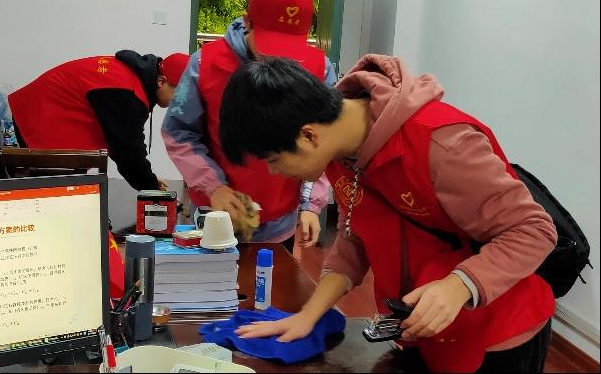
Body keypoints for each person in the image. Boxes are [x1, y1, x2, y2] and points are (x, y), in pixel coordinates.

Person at [217, 56, 558, 373]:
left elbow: (534, 230)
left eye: (274, 160)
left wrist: (458, 285)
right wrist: (308, 315)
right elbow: (354, 236)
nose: (274, 173)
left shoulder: (443, 145)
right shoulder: (340, 153)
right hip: (423, 324)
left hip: (497, 330)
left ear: (308, 135)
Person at [162, 0, 336, 250]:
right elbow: (178, 131)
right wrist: (214, 187)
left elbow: (326, 142)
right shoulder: (205, 64)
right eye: (270, 47)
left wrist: (311, 204)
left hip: (281, 218)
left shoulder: (318, 69)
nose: (276, 60)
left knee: (273, 276)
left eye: (287, 50)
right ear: (248, 22)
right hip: (215, 215)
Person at [8, 50, 189, 191]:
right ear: (161, 81)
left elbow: (126, 144)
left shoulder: (134, 79)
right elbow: (127, 151)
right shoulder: (126, 91)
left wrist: (148, 179)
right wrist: (151, 186)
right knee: (54, 192)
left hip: (40, 108)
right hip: (38, 114)